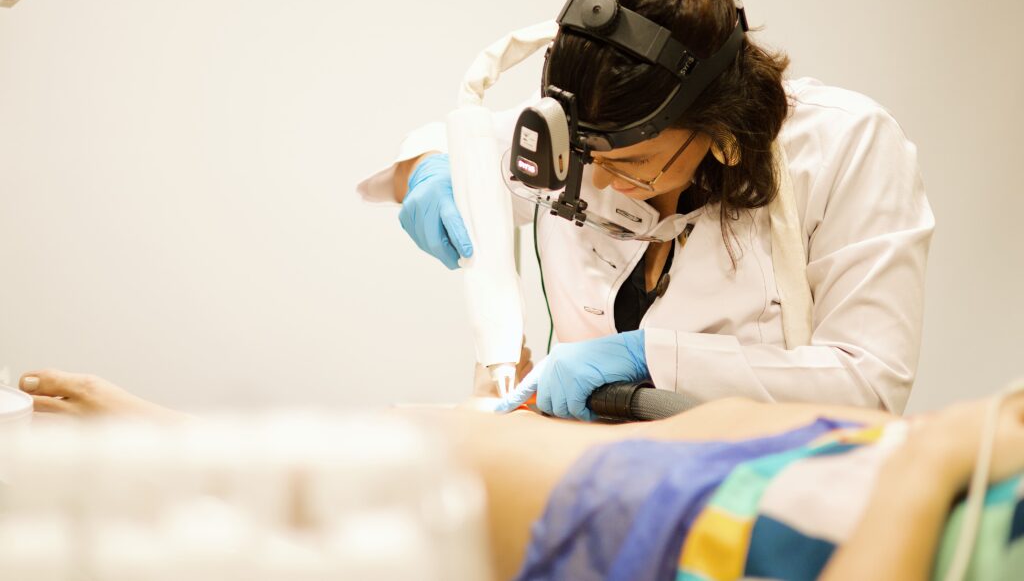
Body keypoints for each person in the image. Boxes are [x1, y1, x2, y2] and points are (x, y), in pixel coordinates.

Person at [358, 0, 934, 419]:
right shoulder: (585, 132)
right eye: (589, 160)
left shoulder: (845, 145)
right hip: (590, 470)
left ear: (720, 128)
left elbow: (870, 386)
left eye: (631, 163)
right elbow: (452, 144)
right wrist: (428, 171)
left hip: (750, 479)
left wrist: (653, 359)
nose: (604, 183)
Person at [15, 368, 1024, 580]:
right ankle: (177, 445)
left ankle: (171, 451)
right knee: (448, 437)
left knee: (418, 478)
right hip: (803, 457)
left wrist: (933, 454)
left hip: (707, 529)